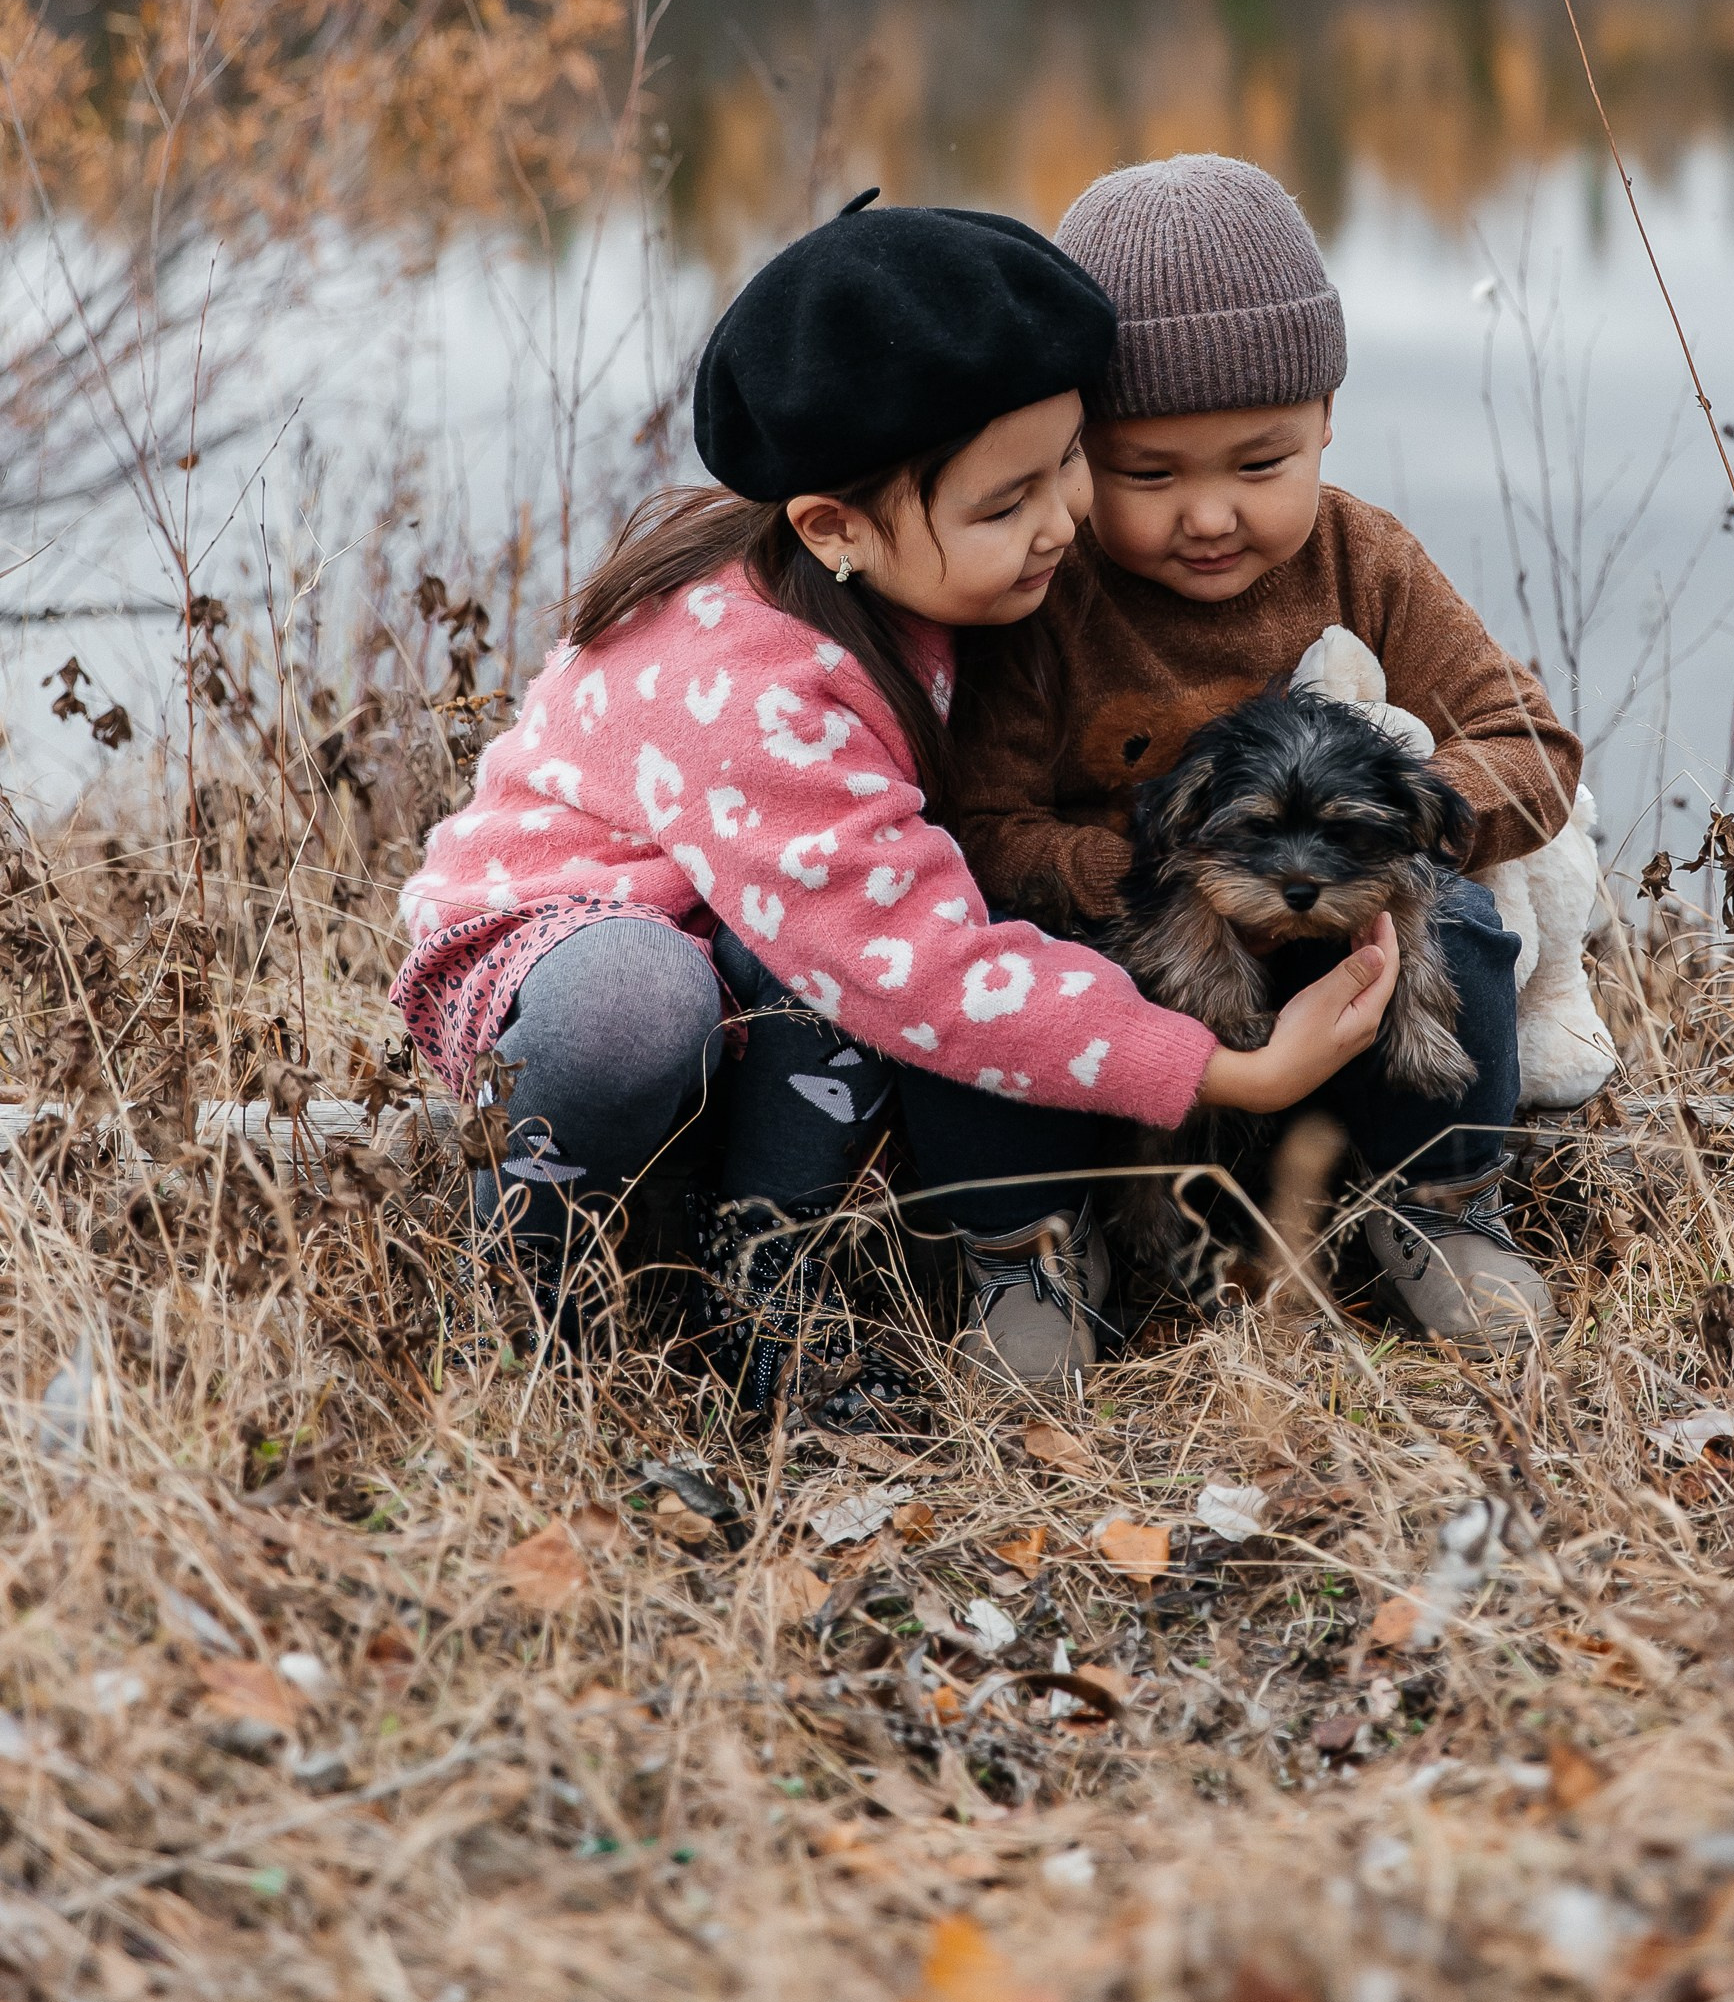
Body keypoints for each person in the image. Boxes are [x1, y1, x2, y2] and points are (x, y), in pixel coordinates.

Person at [392, 190, 1402, 1400]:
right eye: (1005, 502)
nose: (1065, 519)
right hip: (557, 953)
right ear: (834, 527)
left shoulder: (904, 575)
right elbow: (920, 963)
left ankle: (767, 1272)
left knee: (823, 970)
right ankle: (522, 1295)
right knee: (652, 998)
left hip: (756, 927)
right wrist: (1217, 1067)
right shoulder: (753, 685)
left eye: (1069, 459)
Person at [952, 153, 1582, 1350]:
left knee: (1456, 924)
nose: (1208, 514)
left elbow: (1532, 741)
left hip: (1351, 935)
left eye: (1259, 463)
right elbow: (980, 821)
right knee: (996, 967)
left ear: (1326, 423)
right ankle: (1031, 1242)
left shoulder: (1363, 555)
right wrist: (1155, 877)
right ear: (1079, 448)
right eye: (1150, 471)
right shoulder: (1048, 587)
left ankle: (1440, 1201)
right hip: (1136, 950)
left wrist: (1400, 821)